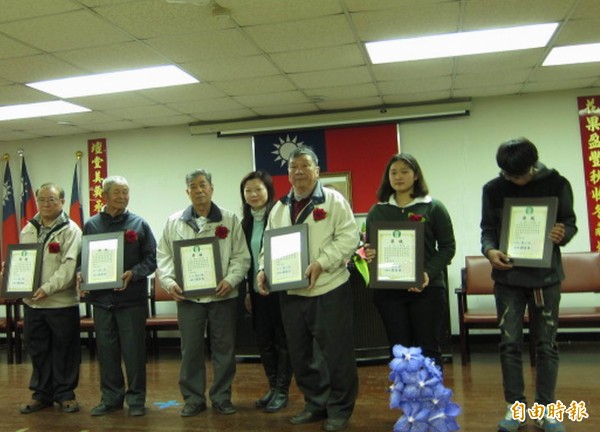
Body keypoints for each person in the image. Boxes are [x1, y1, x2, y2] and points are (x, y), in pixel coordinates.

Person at [257, 146, 359, 432]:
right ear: (287, 173)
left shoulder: (334, 201)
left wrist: (321, 263)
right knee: (301, 354)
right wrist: (264, 270)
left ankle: (339, 409)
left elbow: (349, 238)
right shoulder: (279, 208)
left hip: (329, 288)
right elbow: (268, 245)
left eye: (305, 166)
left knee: (336, 354)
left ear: (317, 171)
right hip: (291, 293)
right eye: (293, 167)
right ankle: (316, 404)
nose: (298, 172)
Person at [480, 138, 577, 432]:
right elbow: (487, 230)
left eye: (520, 175)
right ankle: (517, 408)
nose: (516, 181)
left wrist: (564, 233)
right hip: (508, 278)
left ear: (533, 164)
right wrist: (489, 251)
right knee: (509, 344)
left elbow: (570, 222)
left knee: (546, 345)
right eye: (510, 176)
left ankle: (547, 409)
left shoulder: (557, 183)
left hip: (545, 279)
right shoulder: (493, 189)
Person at [157, 169, 250, 417]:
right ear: (187, 192)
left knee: (224, 349)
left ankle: (221, 397)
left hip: (223, 297)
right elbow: (163, 258)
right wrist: (169, 283)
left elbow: (241, 256)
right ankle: (193, 399)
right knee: (191, 350)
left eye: (203, 185)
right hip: (189, 298)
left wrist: (231, 280)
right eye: (193, 187)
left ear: (212, 188)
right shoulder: (173, 221)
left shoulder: (229, 220)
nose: (199, 190)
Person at [365, 153, 456, 369]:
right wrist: (367, 253)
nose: (398, 177)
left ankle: (432, 397)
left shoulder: (433, 207)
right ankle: (407, 397)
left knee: (429, 348)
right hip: (389, 292)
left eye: (404, 171)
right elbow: (368, 248)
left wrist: (427, 273)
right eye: (393, 172)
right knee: (399, 350)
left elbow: (448, 248)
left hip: (427, 289)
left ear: (415, 175)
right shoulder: (377, 211)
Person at [80, 176, 157, 417]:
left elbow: (152, 259)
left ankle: (136, 400)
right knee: (106, 351)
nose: (123, 197)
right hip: (101, 302)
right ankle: (111, 398)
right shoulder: (92, 225)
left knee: (134, 352)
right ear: (104, 196)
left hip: (131, 300)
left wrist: (133, 273)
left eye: (126, 192)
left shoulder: (139, 223)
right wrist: (81, 275)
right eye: (118, 193)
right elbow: (84, 260)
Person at [18, 183, 83, 414]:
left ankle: (65, 395)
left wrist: (47, 288)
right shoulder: (28, 229)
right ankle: (42, 395)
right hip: (33, 304)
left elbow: (69, 267)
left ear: (62, 202)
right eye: (42, 200)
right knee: (38, 350)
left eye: (52, 199)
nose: (46, 204)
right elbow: (23, 260)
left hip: (60, 303)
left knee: (65, 350)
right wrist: (12, 271)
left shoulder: (71, 229)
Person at [240, 170, 292, 413]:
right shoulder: (245, 223)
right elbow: (245, 261)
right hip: (256, 292)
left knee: (283, 340)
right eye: (248, 190)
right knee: (264, 341)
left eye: (258, 189)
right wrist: (248, 292)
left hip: (279, 290)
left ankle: (282, 391)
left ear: (268, 191)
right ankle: (272, 386)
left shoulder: (281, 215)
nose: (253, 194)